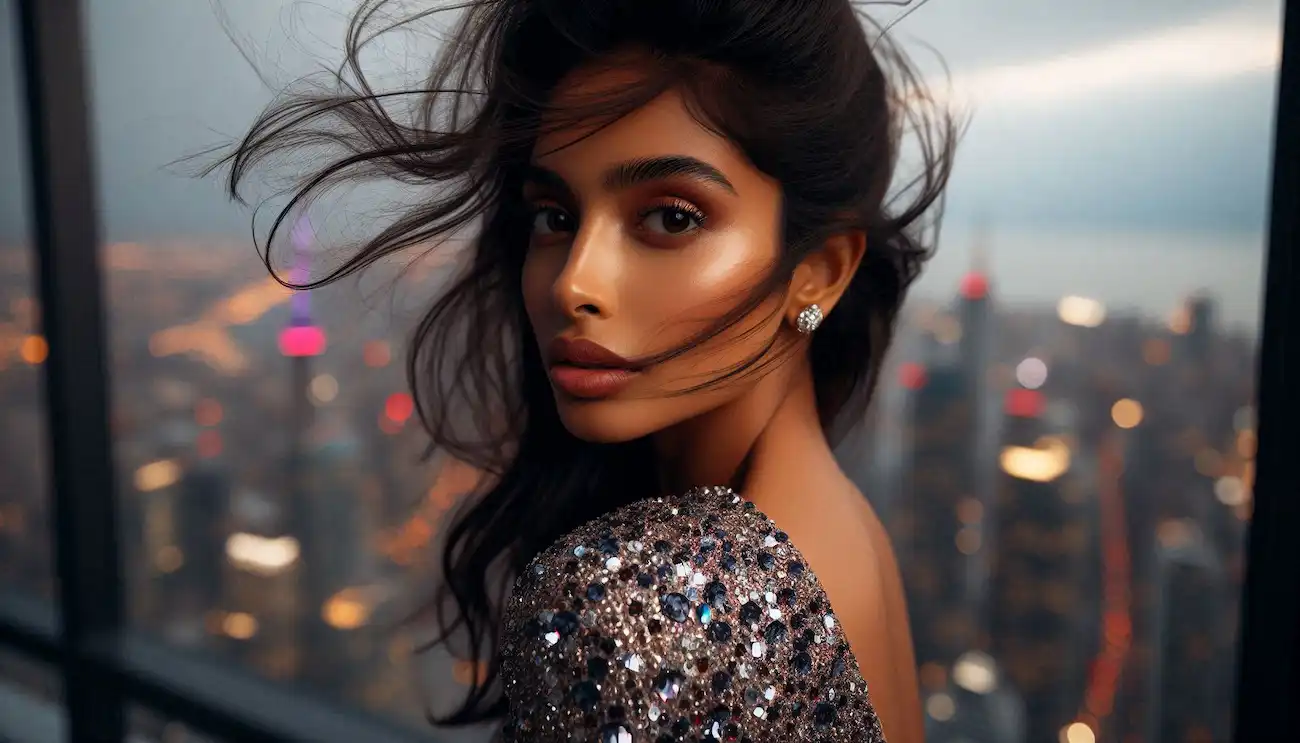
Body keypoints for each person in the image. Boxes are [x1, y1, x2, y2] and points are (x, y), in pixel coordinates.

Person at [217, 0, 956, 740]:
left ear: (819, 273)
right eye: (555, 216)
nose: (573, 282)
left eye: (671, 217)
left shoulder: (649, 609)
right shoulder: (844, 527)